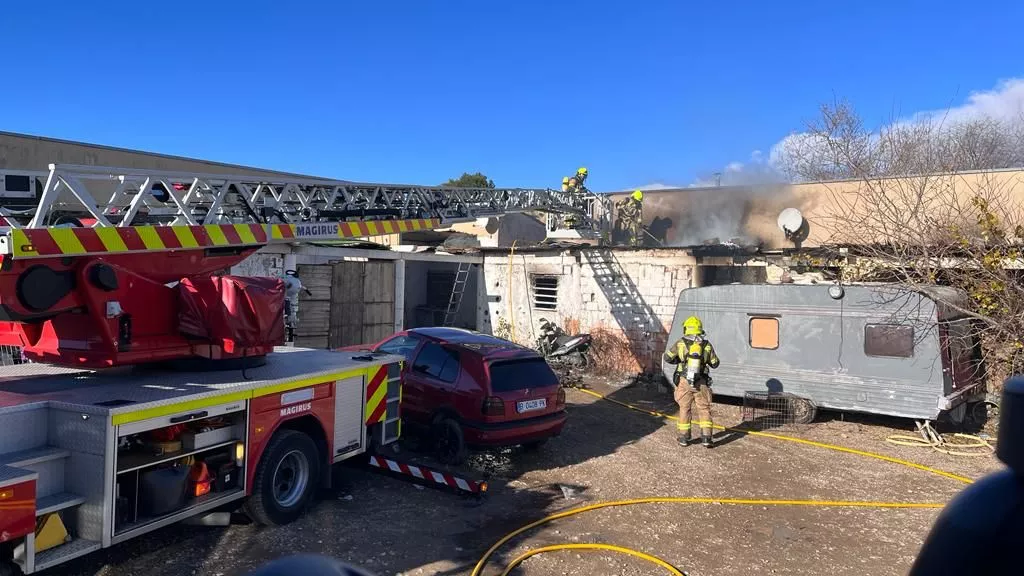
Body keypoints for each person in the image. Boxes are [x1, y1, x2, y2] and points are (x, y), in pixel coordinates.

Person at [663, 315, 720, 448]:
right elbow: (715, 363)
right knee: (704, 408)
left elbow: (667, 358)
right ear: (699, 329)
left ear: (687, 329)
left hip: (684, 381)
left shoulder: (680, 343)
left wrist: (680, 360)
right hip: (701, 382)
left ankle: (683, 437)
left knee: (684, 408)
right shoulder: (706, 345)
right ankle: (706, 438)